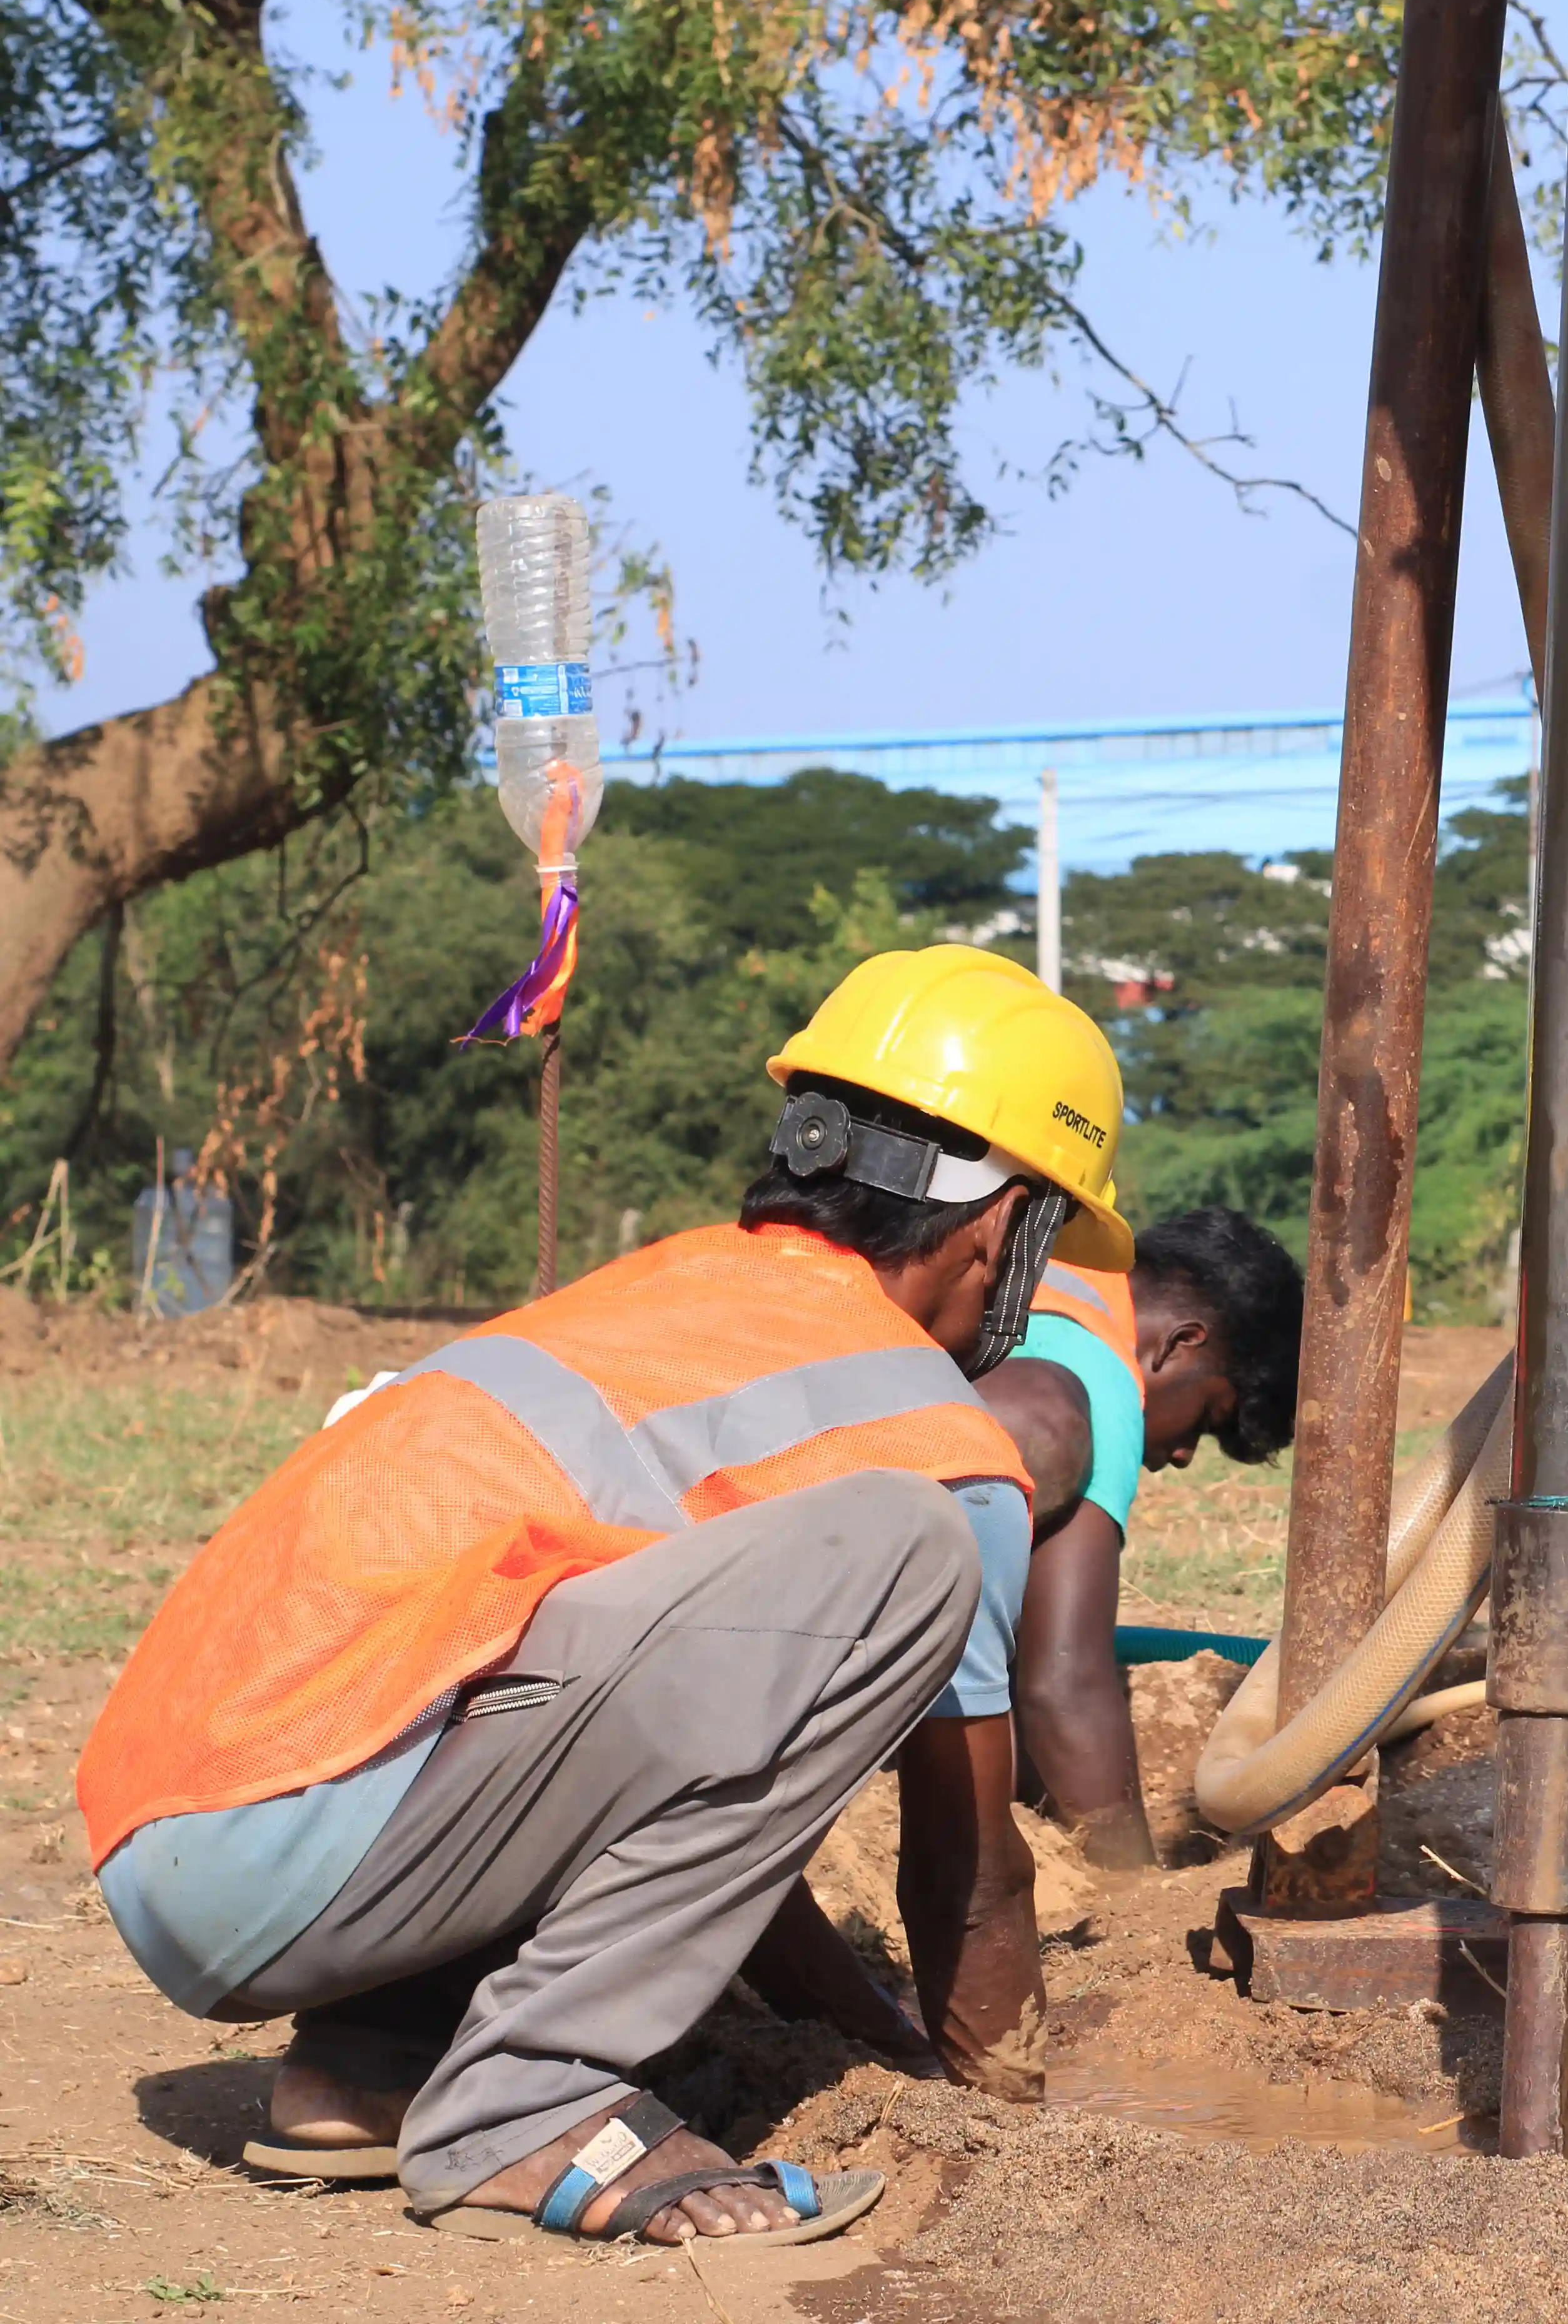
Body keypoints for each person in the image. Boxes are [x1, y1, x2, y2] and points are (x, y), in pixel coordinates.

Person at [74, 945, 1125, 2250]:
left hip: (185, 1826)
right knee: (908, 1544)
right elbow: (967, 1877)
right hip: (303, 1841)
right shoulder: (930, 1433)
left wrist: (861, 2033)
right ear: (997, 1222)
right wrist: (995, 2106)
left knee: (575, 1633)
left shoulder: (669, 1293)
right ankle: (531, 2098)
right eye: (1043, 1239)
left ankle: (368, 2063)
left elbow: (673, 1795)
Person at [983, 1212, 1302, 1866]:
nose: (1182, 1455)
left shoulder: (1037, 1277)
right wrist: (1133, 1883)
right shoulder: (1093, 1369)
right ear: (1180, 1342)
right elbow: (1063, 1681)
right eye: (1208, 1419)